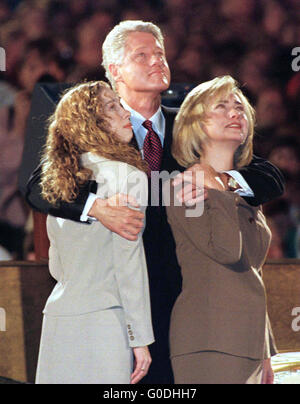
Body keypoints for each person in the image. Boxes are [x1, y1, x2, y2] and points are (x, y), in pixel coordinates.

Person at [26, 20, 284, 384]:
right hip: (116, 303)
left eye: (160, 53)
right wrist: (95, 208)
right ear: (114, 70)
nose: (156, 61)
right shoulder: (95, 131)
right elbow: (37, 185)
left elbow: (270, 177)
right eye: (142, 55)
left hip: (184, 299)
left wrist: (221, 178)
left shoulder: (190, 127)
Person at [35, 81, 153, 384]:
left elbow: (55, 264)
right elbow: (129, 262)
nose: (125, 112)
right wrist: (139, 336)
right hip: (106, 322)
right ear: (90, 123)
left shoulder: (60, 182)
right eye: (112, 106)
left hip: (59, 318)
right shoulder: (128, 175)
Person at [164, 75, 277, 384]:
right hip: (210, 339)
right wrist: (217, 190)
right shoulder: (184, 186)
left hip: (248, 343)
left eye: (240, 107)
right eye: (222, 106)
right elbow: (227, 251)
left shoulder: (242, 189)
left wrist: (264, 349)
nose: (235, 113)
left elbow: (252, 269)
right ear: (196, 124)